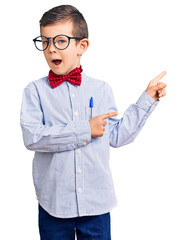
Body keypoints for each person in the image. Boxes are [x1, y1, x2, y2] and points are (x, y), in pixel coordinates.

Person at [20, 4, 167, 240]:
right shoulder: (35, 91)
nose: (50, 49)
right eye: (45, 42)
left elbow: (116, 135)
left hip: (97, 203)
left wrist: (147, 99)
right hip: (54, 204)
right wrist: (84, 130)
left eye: (59, 41)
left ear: (82, 45)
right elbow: (33, 137)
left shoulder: (101, 89)